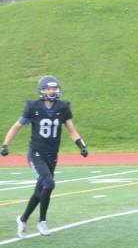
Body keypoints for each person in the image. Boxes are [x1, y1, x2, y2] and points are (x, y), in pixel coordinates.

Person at [1, 75, 88, 238]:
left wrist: (81, 145)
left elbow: (71, 130)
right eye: (48, 88)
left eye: (54, 88)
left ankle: (23, 219)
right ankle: (42, 221)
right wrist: (5, 145)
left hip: (52, 154)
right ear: (42, 90)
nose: (52, 91)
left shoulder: (62, 107)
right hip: (36, 153)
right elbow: (16, 126)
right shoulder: (33, 107)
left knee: (40, 190)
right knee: (48, 183)